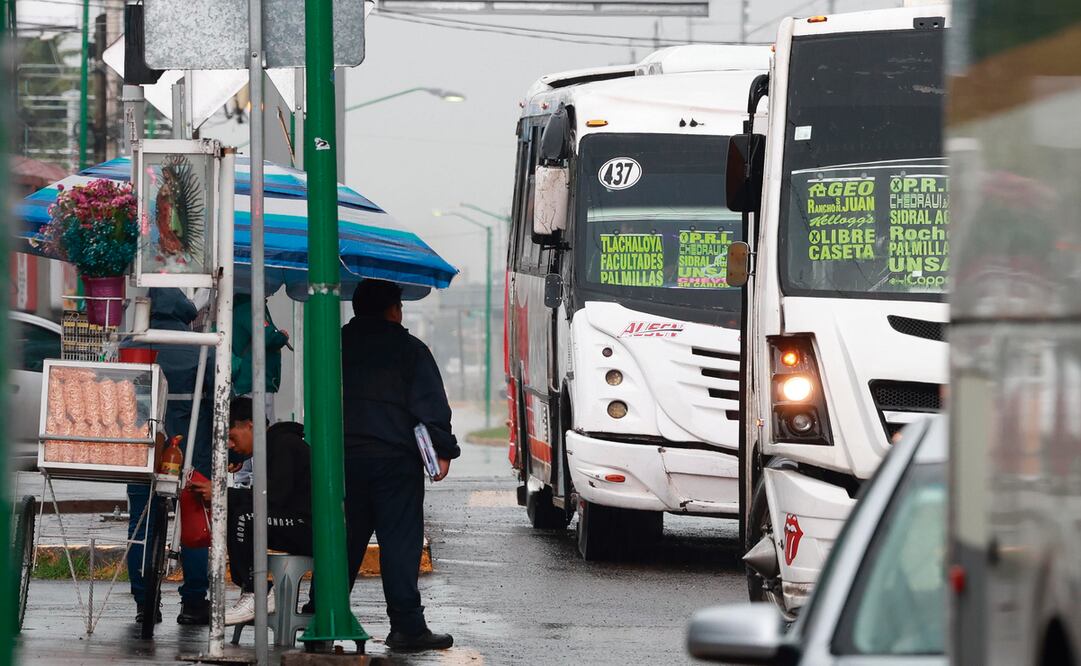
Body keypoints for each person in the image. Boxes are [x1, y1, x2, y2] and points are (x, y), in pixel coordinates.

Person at [338, 279, 460, 651]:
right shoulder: (410, 349)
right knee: (400, 544)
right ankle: (407, 626)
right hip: (395, 462)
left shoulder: (335, 345)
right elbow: (431, 406)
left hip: (343, 459)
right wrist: (444, 450)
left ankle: (320, 611)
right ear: (394, 309)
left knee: (343, 541)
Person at [124, 288, 214, 625]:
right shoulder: (202, 348)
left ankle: (144, 601)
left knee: (140, 524)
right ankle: (193, 602)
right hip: (192, 454)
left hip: (142, 451)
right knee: (193, 520)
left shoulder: (130, 345)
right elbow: (221, 396)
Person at [189, 397, 313, 626]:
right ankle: (251, 589)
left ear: (250, 425)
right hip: (291, 520)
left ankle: (256, 592)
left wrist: (221, 493)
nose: (230, 445)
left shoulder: (284, 445)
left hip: (307, 526)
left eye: (231, 437)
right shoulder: (271, 448)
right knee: (238, 513)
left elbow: (272, 499)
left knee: (245, 517)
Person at [230, 292, 289, 486]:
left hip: (249, 379)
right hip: (256, 379)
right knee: (263, 432)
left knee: (248, 430)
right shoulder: (251, 307)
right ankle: (257, 481)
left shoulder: (239, 307)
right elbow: (267, 337)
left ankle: (246, 479)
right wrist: (281, 336)